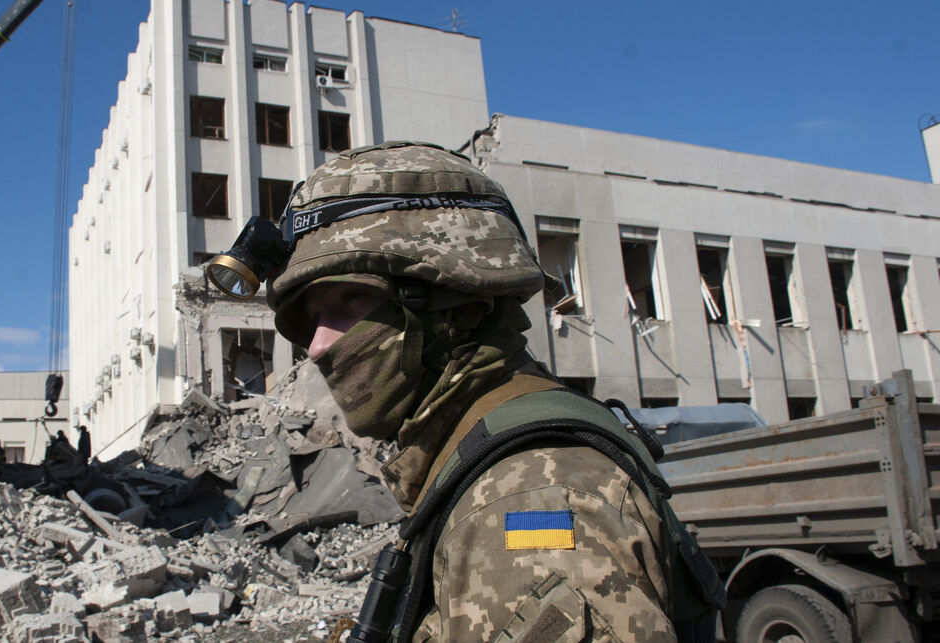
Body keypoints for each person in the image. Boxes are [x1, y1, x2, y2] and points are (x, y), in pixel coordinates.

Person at [219, 142, 722, 641]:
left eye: (351, 300)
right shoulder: (478, 457)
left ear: (456, 306)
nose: (317, 346)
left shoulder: (529, 495)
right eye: (312, 319)